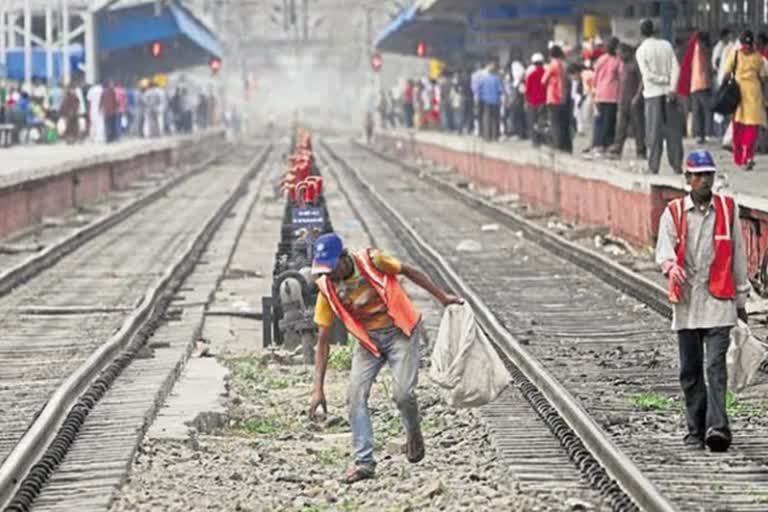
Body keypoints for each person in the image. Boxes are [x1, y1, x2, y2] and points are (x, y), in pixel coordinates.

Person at [307, 233, 462, 484]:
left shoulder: (373, 260)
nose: (329, 275)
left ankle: (413, 432)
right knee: (354, 396)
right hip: (369, 343)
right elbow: (322, 340)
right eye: (323, 270)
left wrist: (442, 297)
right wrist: (317, 389)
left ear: (344, 258)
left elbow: (410, 271)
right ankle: (364, 463)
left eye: (331, 268)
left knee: (402, 395)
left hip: (400, 333)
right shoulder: (325, 288)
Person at [655, 149, 750, 453]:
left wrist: (741, 299)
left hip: (719, 300)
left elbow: (738, 255)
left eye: (708, 175)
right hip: (686, 304)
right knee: (690, 371)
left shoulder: (727, 209)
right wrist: (672, 267)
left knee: (715, 367)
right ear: (688, 179)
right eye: (698, 176)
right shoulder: (673, 212)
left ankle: (718, 429)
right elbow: (664, 251)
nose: (704, 181)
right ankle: (695, 429)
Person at [636, 19, 683, 174]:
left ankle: (653, 166)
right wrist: (672, 87)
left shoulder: (641, 50)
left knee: (653, 133)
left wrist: (662, 79)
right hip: (670, 94)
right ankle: (677, 166)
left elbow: (647, 75)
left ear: (641, 33)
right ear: (655, 31)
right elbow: (677, 68)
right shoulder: (666, 45)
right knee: (673, 132)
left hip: (652, 95)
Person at [722, 30, 767, 171]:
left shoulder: (737, 55)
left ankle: (745, 157)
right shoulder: (757, 57)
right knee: (743, 128)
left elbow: (726, 72)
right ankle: (743, 157)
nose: (747, 47)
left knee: (748, 128)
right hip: (746, 95)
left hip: (745, 95)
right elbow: (763, 77)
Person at [607, 44, 646, 160]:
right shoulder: (622, 65)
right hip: (623, 100)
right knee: (620, 127)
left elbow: (642, 81)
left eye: (621, 53)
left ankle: (641, 151)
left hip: (634, 101)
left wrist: (638, 96)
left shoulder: (635, 64)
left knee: (638, 127)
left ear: (627, 52)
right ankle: (617, 150)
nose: (619, 56)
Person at [678, 32, 713, 143]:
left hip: (699, 84)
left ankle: (704, 134)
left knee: (702, 111)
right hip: (698, 84)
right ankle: (702, 134)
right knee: (701, 111)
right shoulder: (700, 49)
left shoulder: (700, 50)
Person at [590, 37, 622, 155]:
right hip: (612, 96)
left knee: (599, 121)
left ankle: (597, 144)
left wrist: (594, 92)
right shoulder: (618, 61)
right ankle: (607, 145)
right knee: (610, 122)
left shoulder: (600, 60)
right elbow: (620, 77)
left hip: (599, 94)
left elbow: (595, 77)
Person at [543, 45, 572, 152]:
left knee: (555, 122)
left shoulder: (552, 65)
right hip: (565, 97)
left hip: (554, 97)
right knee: (564, 123)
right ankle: (567, 146)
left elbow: (543, 80)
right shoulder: (565, 65)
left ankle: (558, 145)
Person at [478, 58, 503, 141]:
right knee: (495, 119)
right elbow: (500, 90)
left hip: (486, 100)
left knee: (487, 118)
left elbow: (479, 89)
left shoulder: (483, 79)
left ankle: (487, 137)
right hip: (495, 101)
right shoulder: (497, 79)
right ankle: (495, 136)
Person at [524, 53, 547, 146]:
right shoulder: (546, 73)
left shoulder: (531, 75)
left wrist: (526, 101)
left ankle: (535, 141)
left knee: (533, 121)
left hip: (532, 102)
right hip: (544, 101)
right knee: (542, 121)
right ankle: (542, 140)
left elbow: (527, 90)